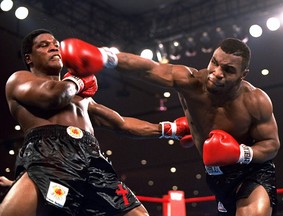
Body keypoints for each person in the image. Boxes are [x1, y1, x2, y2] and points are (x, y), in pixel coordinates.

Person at [60, 38, 280, 215]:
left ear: (243, 75)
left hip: (252, 172)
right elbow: (149, 69)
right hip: (216, 177)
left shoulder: (255, 100)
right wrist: (105, 56)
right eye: (215, 62)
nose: (217, 72)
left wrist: (240, 153)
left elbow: (271, 144)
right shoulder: (191, 82)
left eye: (229, 70)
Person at [1, 29, 192, 216]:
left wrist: (171, 129)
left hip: (92, 160)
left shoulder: (79, 95)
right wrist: (78, 79)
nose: (53, 48)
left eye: (56, 45)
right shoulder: (20, 80)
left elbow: (121, 123)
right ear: (29, 58)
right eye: (44, 45)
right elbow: (52, 96)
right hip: (49, 156)